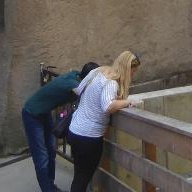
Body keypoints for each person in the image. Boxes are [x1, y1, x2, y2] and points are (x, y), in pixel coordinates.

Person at [67, 51, 141, 192]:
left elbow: (79, 89)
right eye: (133, 71)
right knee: (82, 179)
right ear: (127, 69)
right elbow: (108, 106)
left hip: (75, 130)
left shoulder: (98, 71)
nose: (133, 75)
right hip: (89, 137)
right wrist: (127, 102)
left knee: (79, 175)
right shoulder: (111, 83)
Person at [22, 62, 99, 192]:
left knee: (51, 151)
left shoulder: (75, 75)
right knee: (41, 156)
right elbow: (87, 95)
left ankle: (50, 185)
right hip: (32, 114)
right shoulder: (73, 85)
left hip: (44, 112)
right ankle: (48, 189)